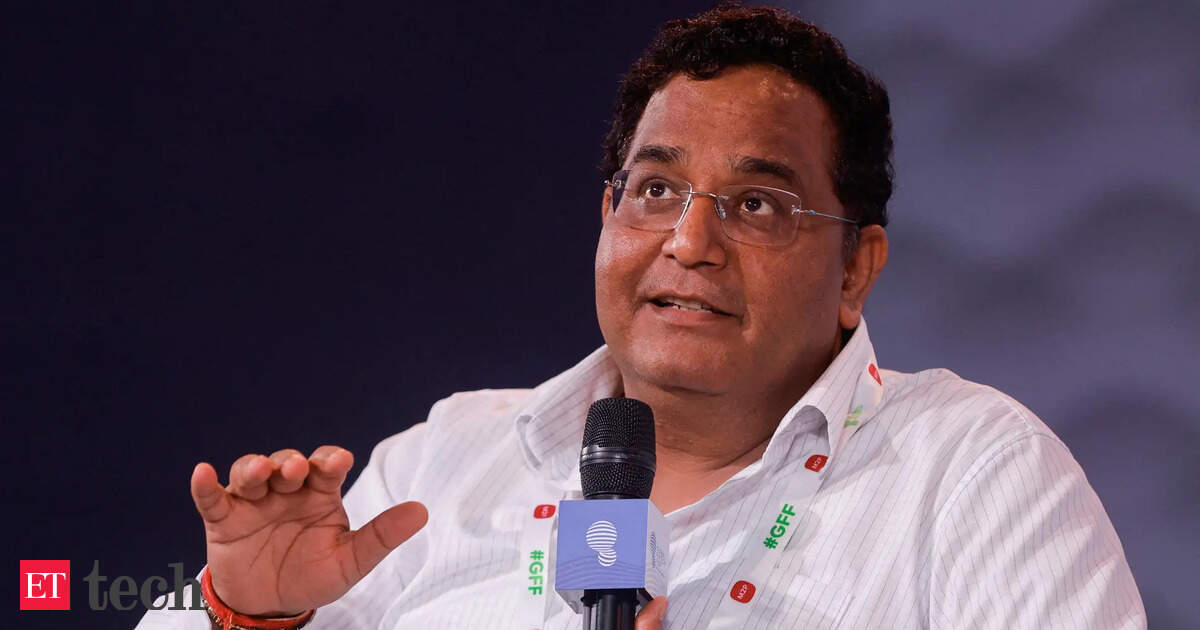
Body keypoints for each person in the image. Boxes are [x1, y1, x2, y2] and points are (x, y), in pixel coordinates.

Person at [137, 5, 1145, 629]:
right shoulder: (440, 464)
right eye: (656, 190)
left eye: (758, 205)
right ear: (607, 216)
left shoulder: (972, 474)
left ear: (856, 268)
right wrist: (243, 614)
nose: (690, 242)